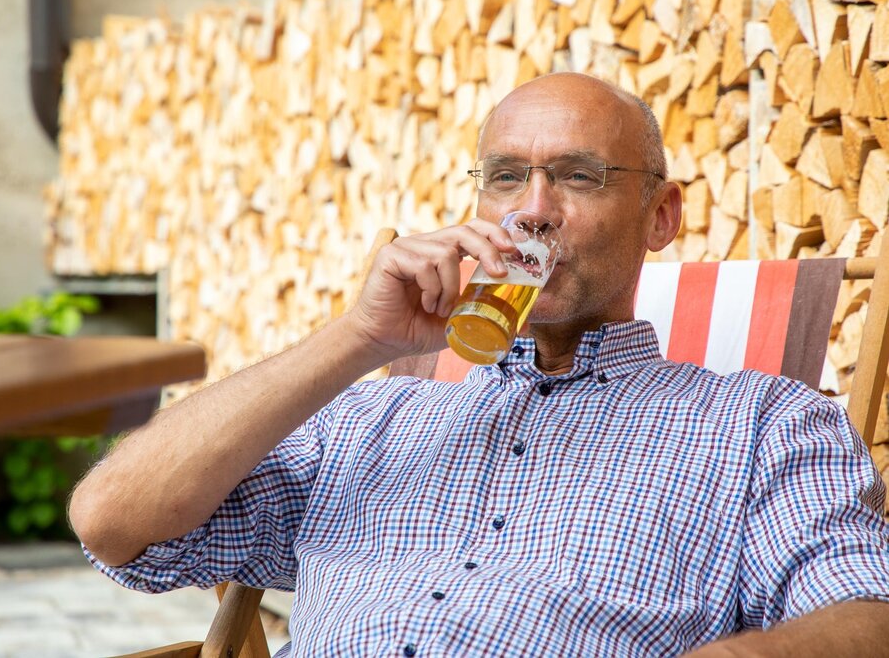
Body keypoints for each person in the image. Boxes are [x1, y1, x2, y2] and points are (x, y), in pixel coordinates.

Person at [69, 73, 889, 656]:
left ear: (660, 216)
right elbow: (114, 523)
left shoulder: (762, 424)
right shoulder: (368, 418)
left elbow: (866, 615)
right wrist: (357, 339)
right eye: (506, 179)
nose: (534, 209)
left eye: (579, 176)